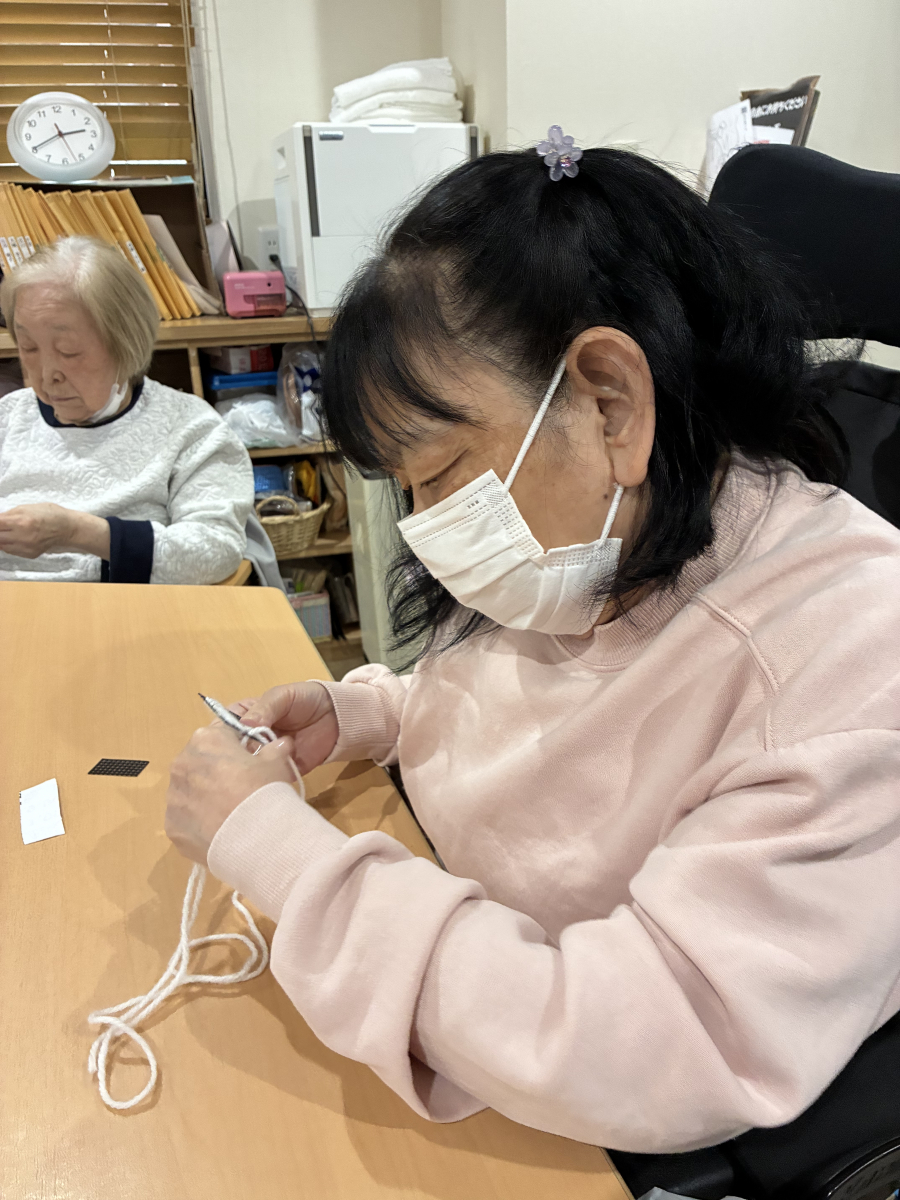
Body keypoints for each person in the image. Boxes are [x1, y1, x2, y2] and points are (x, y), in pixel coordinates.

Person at [164, 141, 900, 1154]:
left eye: (439, 474)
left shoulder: (846, 661)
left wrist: (279, 855)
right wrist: (368, 712)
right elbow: (523, 695)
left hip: (574, 1118)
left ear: (610, 402)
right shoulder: (613, 531)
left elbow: (641, 1047)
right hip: (460, 953)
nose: (425, 524)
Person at [0, 236, 253, 584]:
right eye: (28, 347)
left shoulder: (189, 428)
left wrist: (78, 532)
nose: (46, 375)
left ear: (126, 344)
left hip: (126, 610)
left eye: (69, 351)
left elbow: (215, 551)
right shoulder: (8, 418)